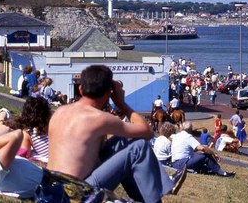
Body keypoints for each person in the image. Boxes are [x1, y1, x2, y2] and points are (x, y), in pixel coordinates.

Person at [48, 64, 186, 201]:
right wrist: (120, 102)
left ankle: (151, 192)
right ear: (109, 93)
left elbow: (88, 152)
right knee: (138, 147)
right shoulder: (99, 118)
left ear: (80, 88)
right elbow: (147, 132)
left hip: (54, 188)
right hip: (77, 193)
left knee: (121, 140)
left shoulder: (60, 112)